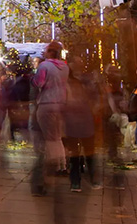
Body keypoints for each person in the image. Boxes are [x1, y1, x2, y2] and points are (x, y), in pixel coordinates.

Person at [32, 41, 69, 183]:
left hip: (47, 103)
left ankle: (55, 165)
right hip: (61, 103)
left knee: (50, 137)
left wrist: (33, 78)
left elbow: (38, 83)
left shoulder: (44, 66)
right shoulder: (64, 67)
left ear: (50, 52)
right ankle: (62, 164)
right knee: (58, 136)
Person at [63, 56, 100, 192]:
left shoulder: (81, 82)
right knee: (80, 153)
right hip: (78, 121)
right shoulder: (84, 82)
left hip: (80, 121)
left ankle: (81, 181)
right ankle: (82, 181)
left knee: (82, 153)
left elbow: (95, 99)